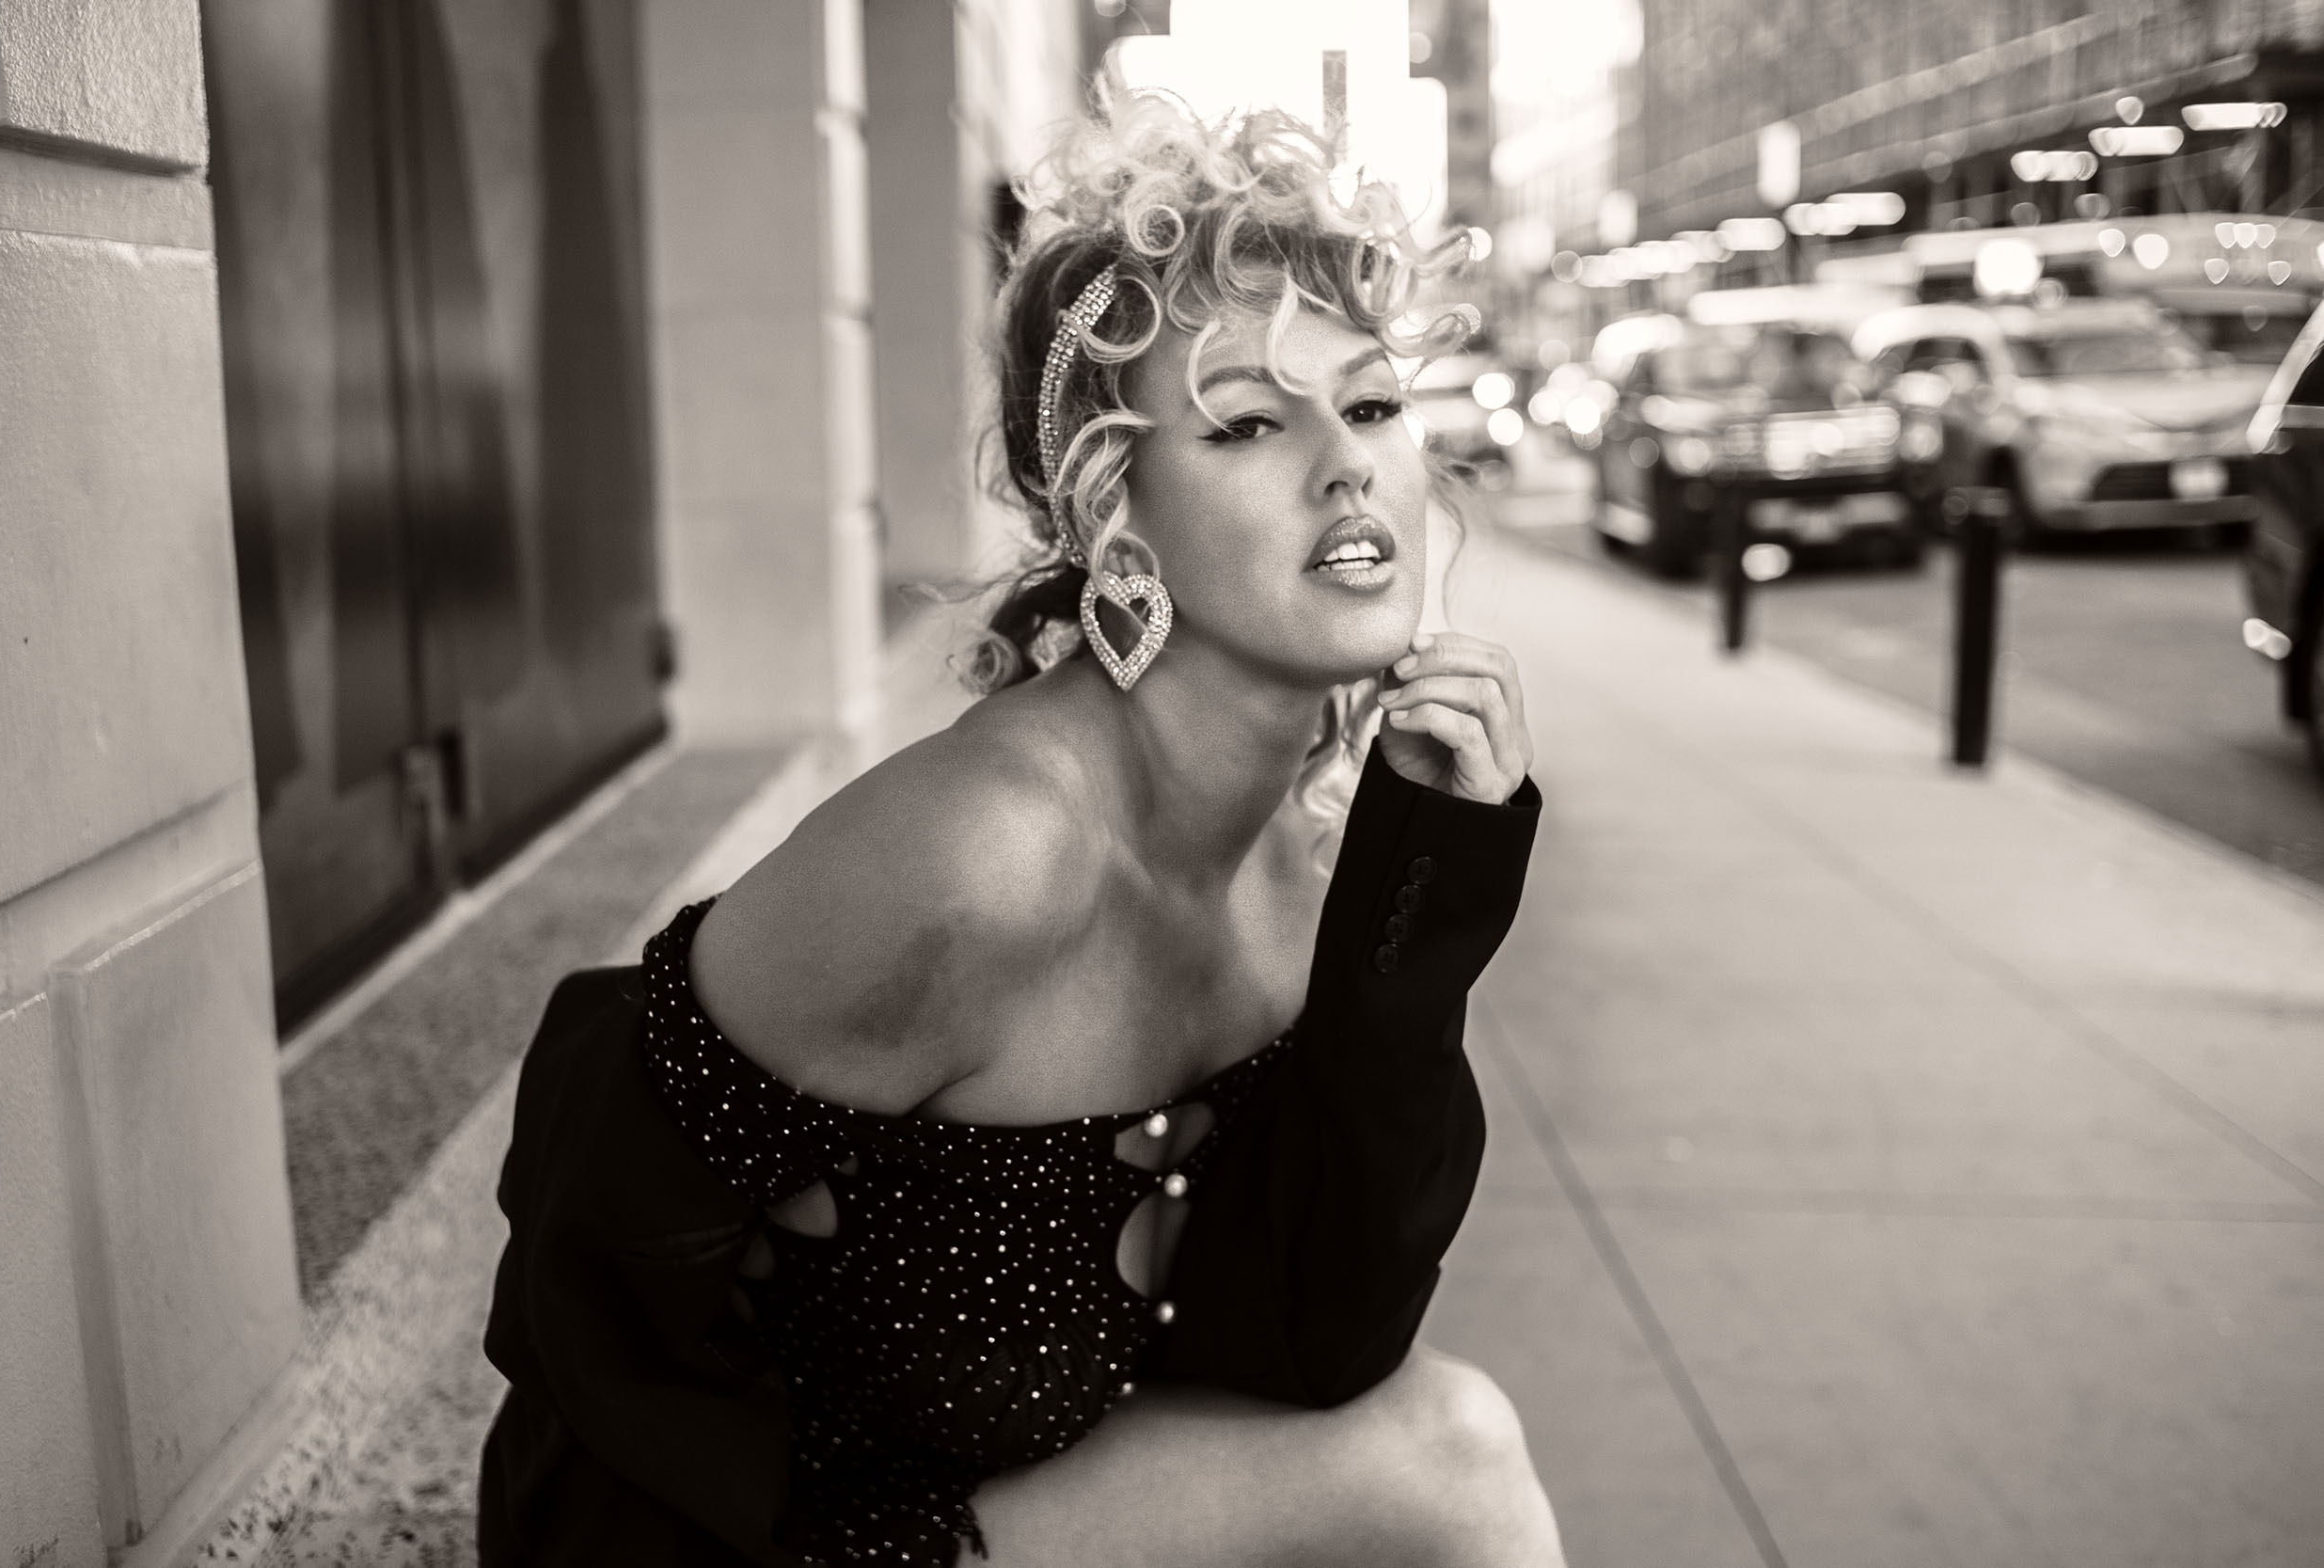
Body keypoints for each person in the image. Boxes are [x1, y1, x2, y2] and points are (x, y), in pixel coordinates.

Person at [478, 92, 1562, 1567]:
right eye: (1247, 423)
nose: (1346, 464)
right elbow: (594, 1244)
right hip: (741, 1533)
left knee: (1453, 1445)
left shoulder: (1309, 862)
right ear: (1117, 514)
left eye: (1369, 405)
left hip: (1009, 1495)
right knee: (1455, 1471)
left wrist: (1421, 894)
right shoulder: (985, 855)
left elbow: (1323, 1340)